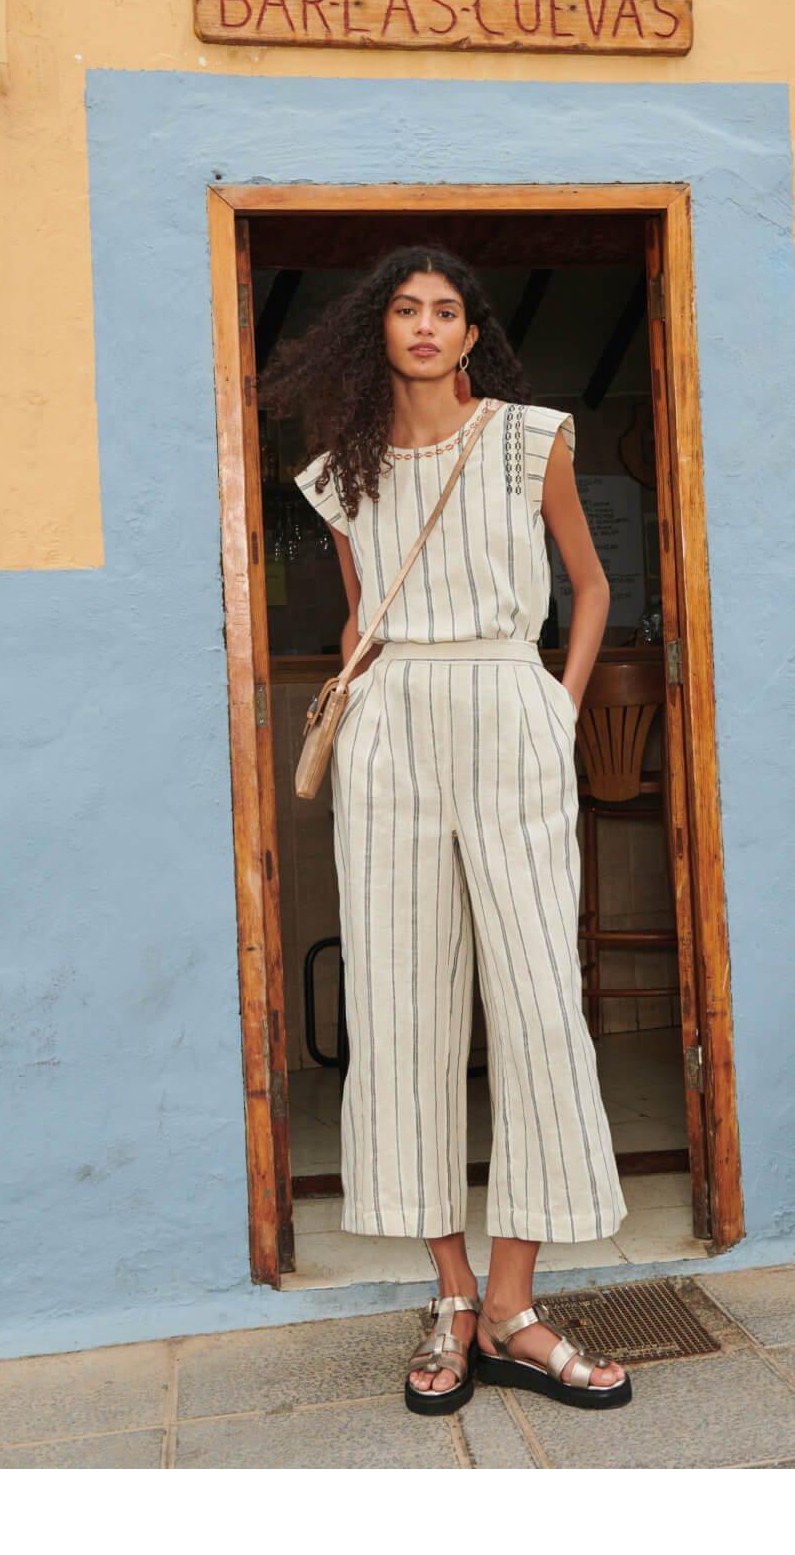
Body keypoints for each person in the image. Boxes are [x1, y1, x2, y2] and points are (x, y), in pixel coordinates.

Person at [266, 243, 630, 1415]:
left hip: (508, 709)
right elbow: (364, 616)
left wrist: (555, 706)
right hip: (392, 734)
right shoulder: (342, 475)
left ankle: (518, 1304)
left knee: (535, 1001)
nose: (426, 326)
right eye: (405, 310)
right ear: (378, 330)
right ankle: (454, 1297)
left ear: (474, 334)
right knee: (401, 1007)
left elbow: (591, 584)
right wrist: (366, 696)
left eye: (447, 311)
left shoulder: (532, 437)